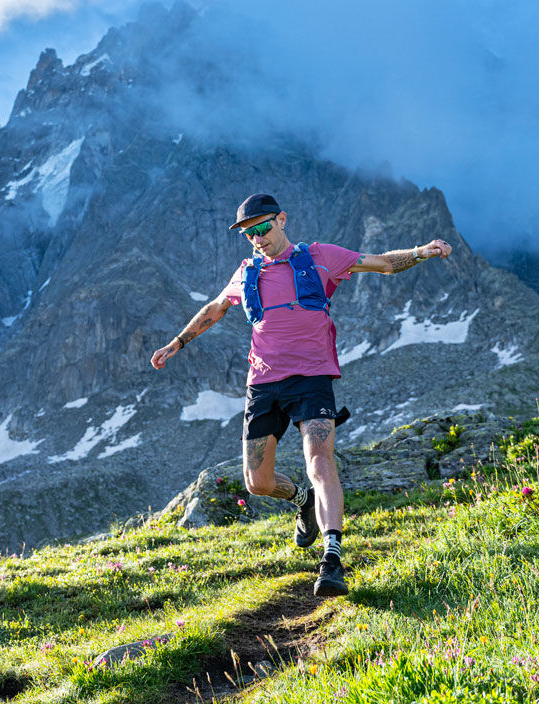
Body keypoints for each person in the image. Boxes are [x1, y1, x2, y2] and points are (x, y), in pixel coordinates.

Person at [150, 193, 452, 597]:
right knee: (256, 482)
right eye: (248, 233)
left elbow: (381, 263)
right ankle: (302, 499)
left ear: (282, 220)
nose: (257, 237)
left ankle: (332, 559)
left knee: (319, 459)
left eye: (262, 227)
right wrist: (177, 343)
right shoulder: (246, 273)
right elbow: (216, 308)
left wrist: (422, 251)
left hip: (312, 378)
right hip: (263, 383)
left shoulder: (321, 257)